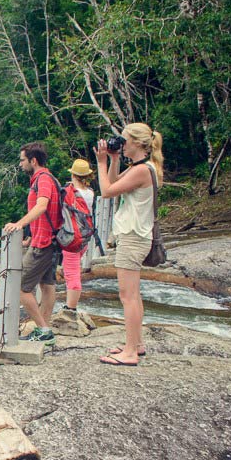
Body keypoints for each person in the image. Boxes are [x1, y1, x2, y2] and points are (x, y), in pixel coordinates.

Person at [95, 123, 164, 366]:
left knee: (128, 296)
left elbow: (106, 191)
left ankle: (130, 353)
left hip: (133, 237)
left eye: (124, 141)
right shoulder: (142, 168)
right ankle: (136, 344)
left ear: (136, 143)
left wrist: (101, 163)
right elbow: (114, 182)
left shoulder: (142, 170)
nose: (121, 145)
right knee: (133, 295)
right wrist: (113, 161)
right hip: (135, 236)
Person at [3, 142, 61, 345]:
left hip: (44, 243)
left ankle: (44, 329)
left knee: (18, 287)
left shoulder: (43, 179)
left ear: (33, 160)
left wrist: (18, 225)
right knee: (47, 285)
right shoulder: (47, 177)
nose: (20, 164)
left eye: (22, 160)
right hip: (47, 240)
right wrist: (29, 235)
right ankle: (44, 328)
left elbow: (42, 206)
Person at [61, 159, 96, 313]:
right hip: (84, 237)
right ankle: (71, 305)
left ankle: (71, 308)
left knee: (72, 274)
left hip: (72, 237)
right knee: (74, 268)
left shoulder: (69, 192)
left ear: (73, 174)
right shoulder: (90, 193)